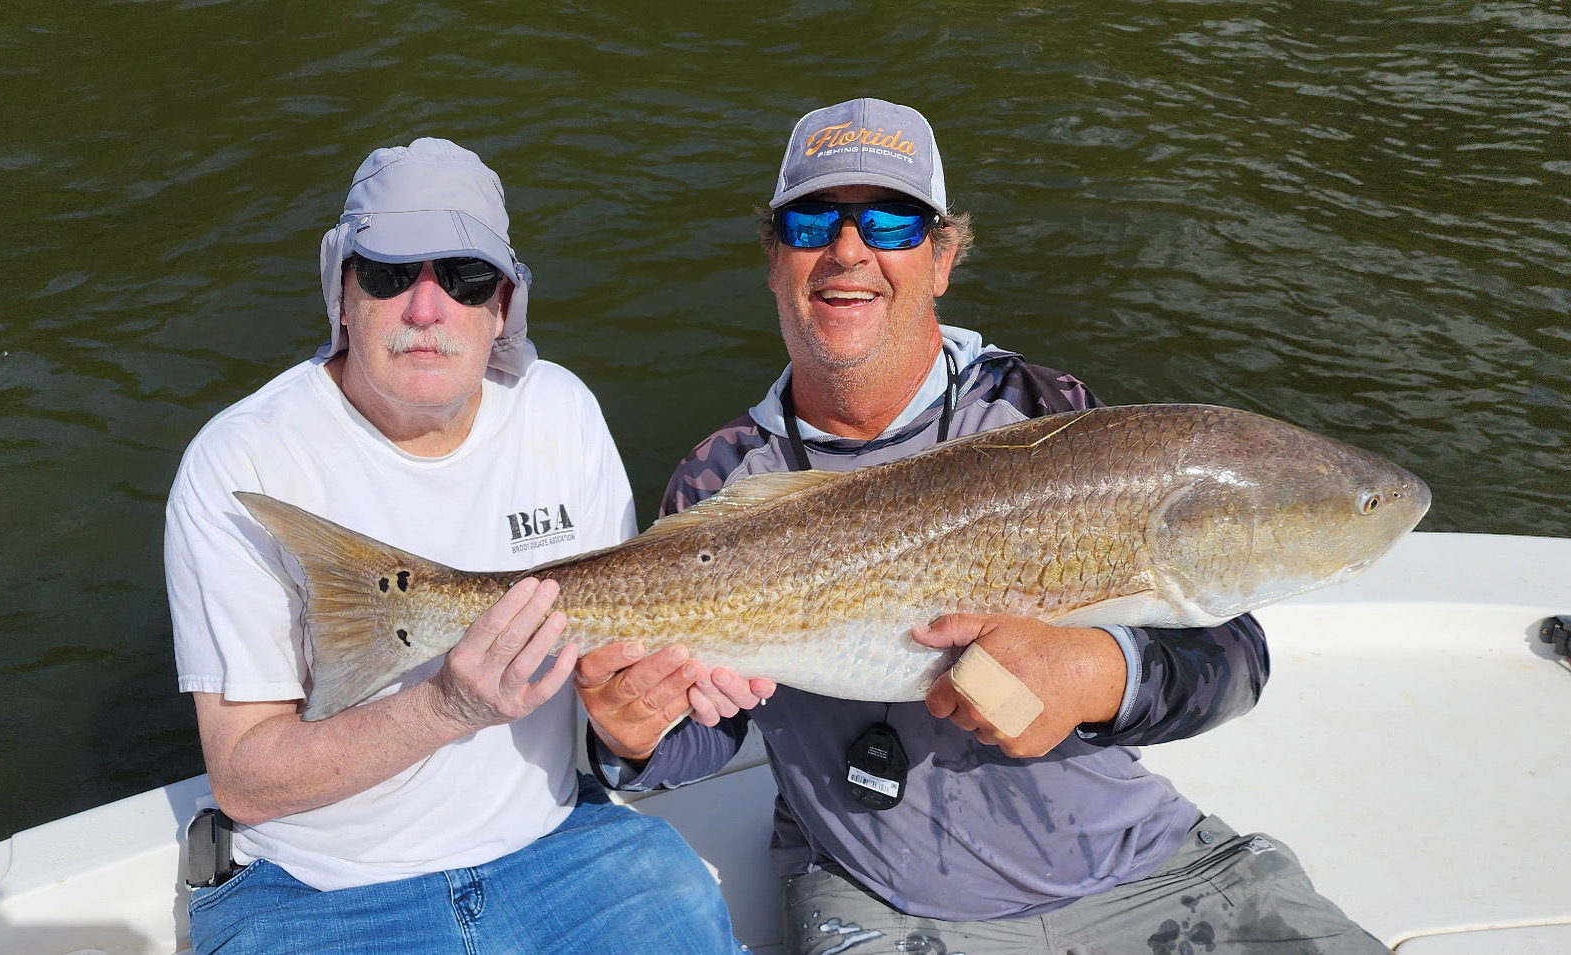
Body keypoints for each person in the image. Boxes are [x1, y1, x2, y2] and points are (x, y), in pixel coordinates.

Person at [581, 99, 1390, 954]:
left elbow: (1234, 658)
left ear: (941, 258)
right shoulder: (723, 477)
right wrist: (629, 735)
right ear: (775, 258)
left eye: (891, 221)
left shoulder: (1046, 417)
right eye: (812, 220)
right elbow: (704, 738)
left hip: (1146, 864)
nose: (848, 249)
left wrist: (1097, 671)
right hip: (886, 903)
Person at [163, 137, 748, 954]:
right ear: (341, 294)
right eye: (390, 274)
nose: (427, 309)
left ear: (502, 306)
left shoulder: (560, 412)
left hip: (561, 846)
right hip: (319, 889)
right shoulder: (241, 460)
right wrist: (446, 706)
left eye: (465, 279)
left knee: (687, 908)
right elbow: (245, 779)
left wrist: (635, 723)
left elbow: (613, 679)